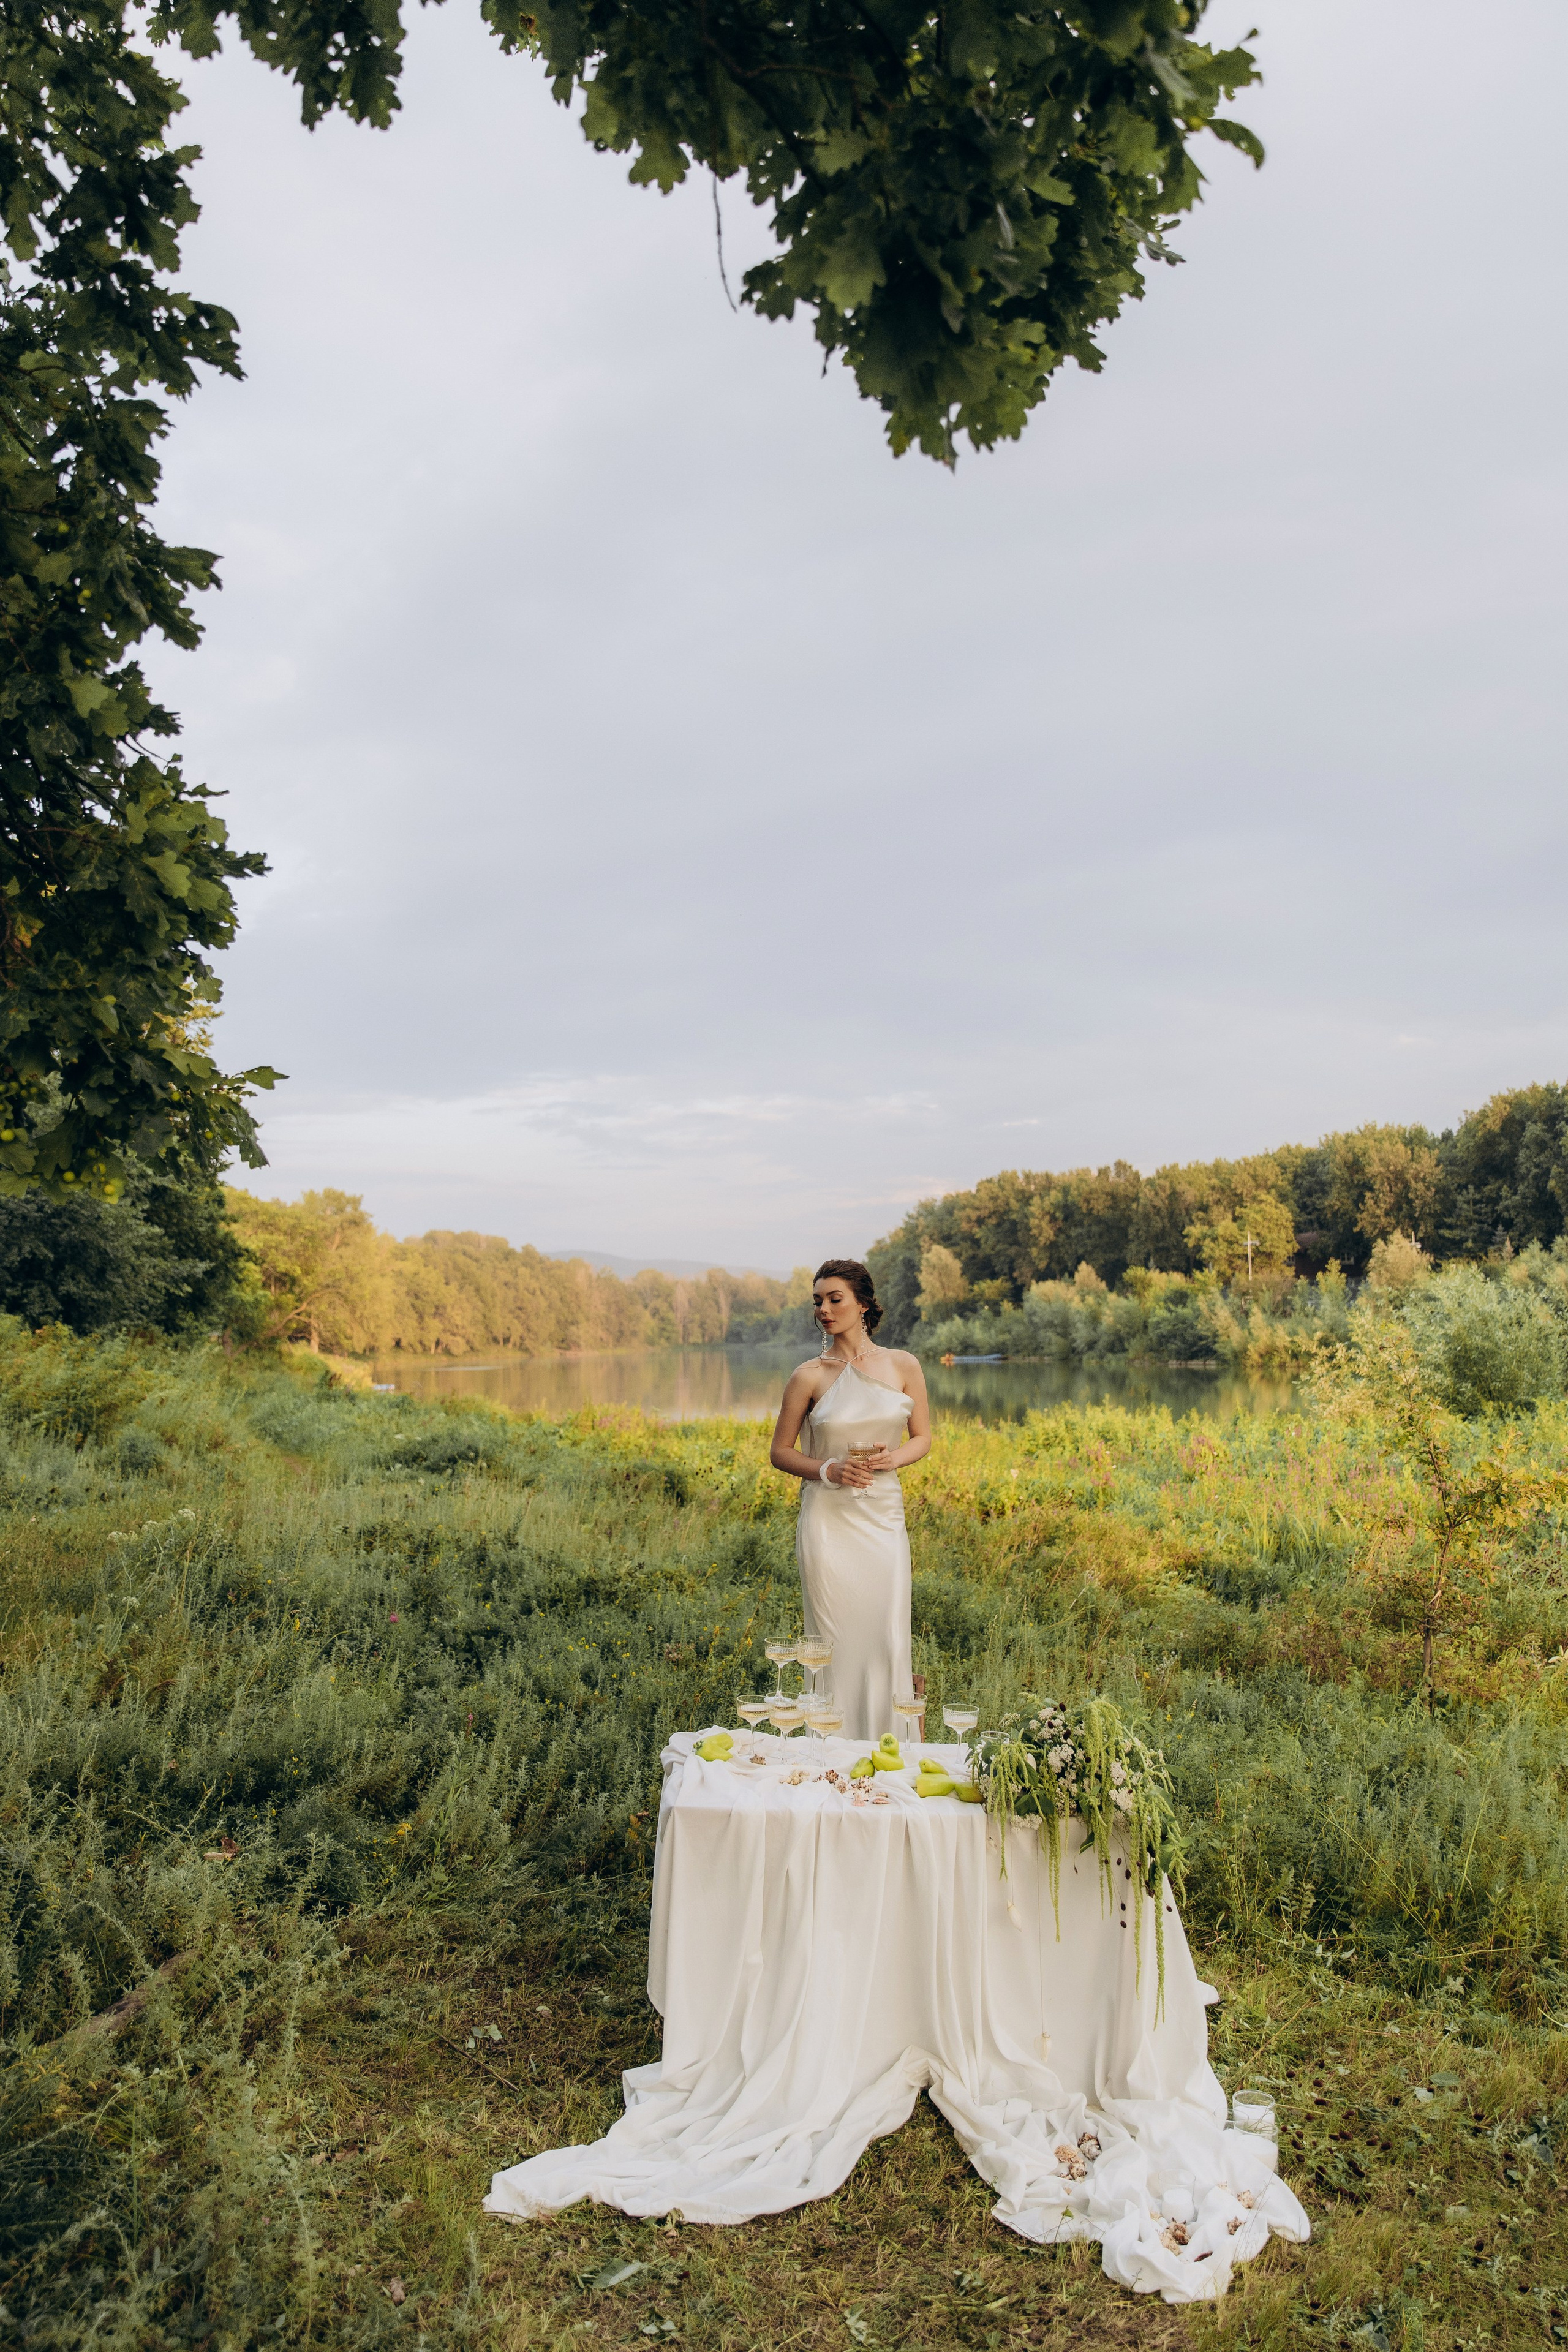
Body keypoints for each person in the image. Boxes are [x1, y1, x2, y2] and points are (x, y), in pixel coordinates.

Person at [769, 1259, 932, 1740]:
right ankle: (830, 1753)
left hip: (883, 1519)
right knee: (832, 1641)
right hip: (828, 1522)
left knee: (887, 1636)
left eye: (834, 1299)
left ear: (863, 1304)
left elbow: (923, 1438)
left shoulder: (904, 1365)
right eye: (817, 1301)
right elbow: (780, 1452)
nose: (823, 1309)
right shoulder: (808, 1376)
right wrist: (829, 1469)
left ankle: (892, 1750)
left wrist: (892, 1459)